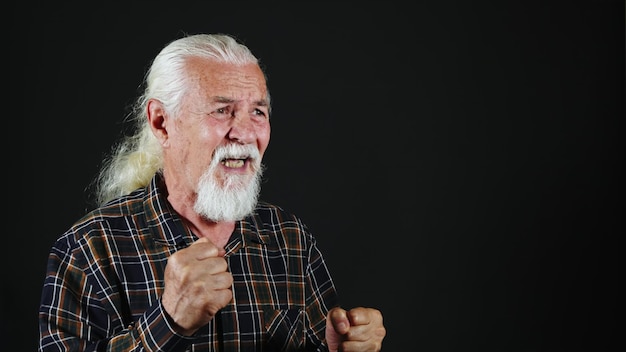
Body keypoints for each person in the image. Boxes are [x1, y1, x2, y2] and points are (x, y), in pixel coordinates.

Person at [38, 33, 386, 351]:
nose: (245, 134)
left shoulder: (291, 239)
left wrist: (338, 346)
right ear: (161, 122)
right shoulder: (90, 250)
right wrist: (168, 321)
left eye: (258, 112)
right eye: (222, 110)